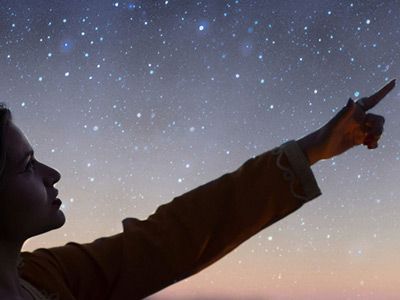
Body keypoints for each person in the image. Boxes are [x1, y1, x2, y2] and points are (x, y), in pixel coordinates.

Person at [0, 79, 396, 300]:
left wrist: (313, 149)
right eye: (27, 166)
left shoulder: (43, 277)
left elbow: (172, 238)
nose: (52, 174)